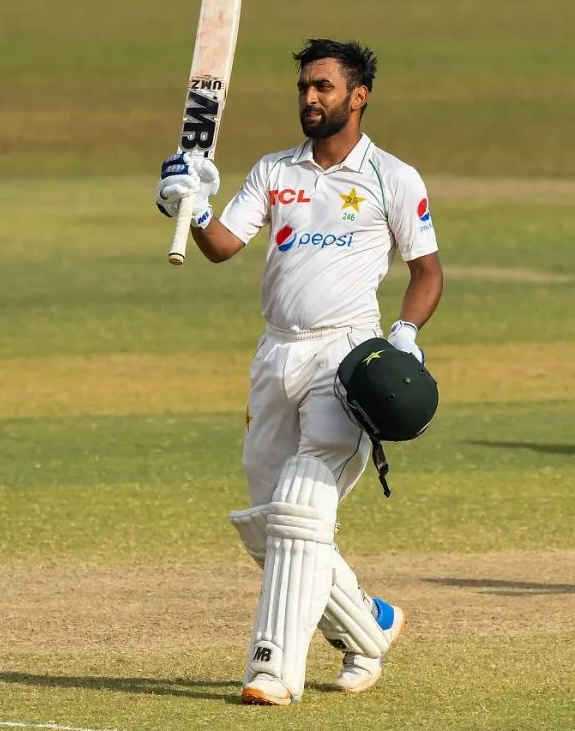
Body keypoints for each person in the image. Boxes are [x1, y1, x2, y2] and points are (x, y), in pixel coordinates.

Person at [155, 38, 443, 706]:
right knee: (268, 519)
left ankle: (271, 670)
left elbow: (427, 272)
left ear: (358, 96)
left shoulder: (392, 177)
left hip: (346, 359)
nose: (309, 99)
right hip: (275, 352)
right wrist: (191, 204)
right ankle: (368, 627)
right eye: (303, 89)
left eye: (323, 87)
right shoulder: (272, 170)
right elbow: (223, 247)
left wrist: (403, 335)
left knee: (300, 512)